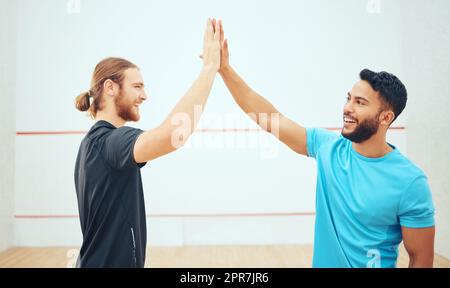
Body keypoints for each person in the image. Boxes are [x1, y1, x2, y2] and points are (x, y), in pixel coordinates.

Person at [217, 22, 435, 268]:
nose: (347, 108)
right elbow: (270, 118)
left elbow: (421, 258)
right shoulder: (327, 147)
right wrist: (225, 69)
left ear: (386, 117)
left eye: (360, 102)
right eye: (348, 98)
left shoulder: (410, 182)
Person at [73, 19, 221, 268]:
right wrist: (209, 69)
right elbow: (174, 135)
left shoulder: (90, 144)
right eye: (137, 86)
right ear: (110, 87)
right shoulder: (110, 142)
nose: (144, 95)